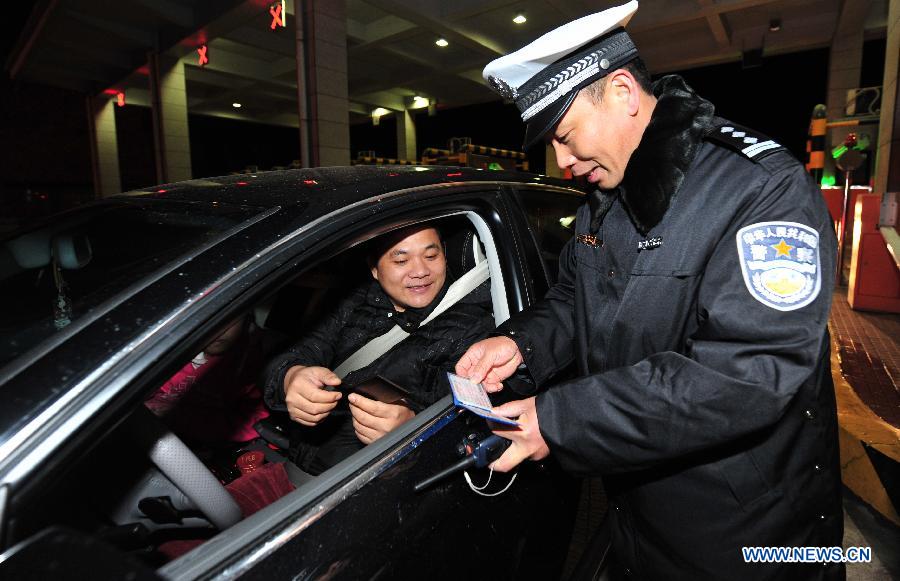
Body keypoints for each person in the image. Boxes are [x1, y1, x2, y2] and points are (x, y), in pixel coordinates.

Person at [456, 2, 842, 579]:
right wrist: (522, 345)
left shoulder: (759, 189)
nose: (561, 162)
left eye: (564, 136)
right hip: (639, 514)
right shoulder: (601, 201)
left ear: (621, 92)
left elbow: (747, 375)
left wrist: (560, 421)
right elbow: (572, 300)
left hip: (750, 533)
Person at [264, 224, 494, 475]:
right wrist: (291, 376)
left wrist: (411, 431)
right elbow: (302, 348)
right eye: (401, 260)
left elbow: (471, 427)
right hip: (294, 467)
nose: (420, 271)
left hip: (371, 485)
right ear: (374, 268)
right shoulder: (354, 300)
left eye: (431, 256)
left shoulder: (470, 329)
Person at [145, 315, 269, 446]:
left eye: (229, 318)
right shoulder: (163, 346)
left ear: (246, 318)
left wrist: (184, 420)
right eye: (208, 317)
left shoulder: (250, 359)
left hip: (198, 445)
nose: (218, 328)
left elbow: (254, 418)